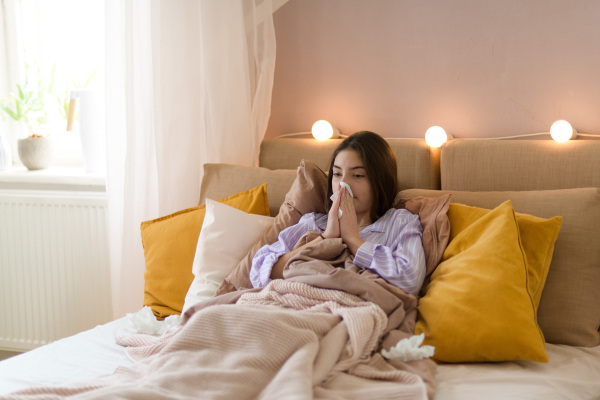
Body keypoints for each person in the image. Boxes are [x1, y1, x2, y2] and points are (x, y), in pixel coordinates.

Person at [249, 131, 426, 296]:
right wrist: (326, 238)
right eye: (337, 174)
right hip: (293, 301)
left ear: (381, 180)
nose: (343, 185)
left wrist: (354, 240)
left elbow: (410, 280)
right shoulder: (313, 223)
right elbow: (260, 270)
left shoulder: (400, 222)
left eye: (357, 175)